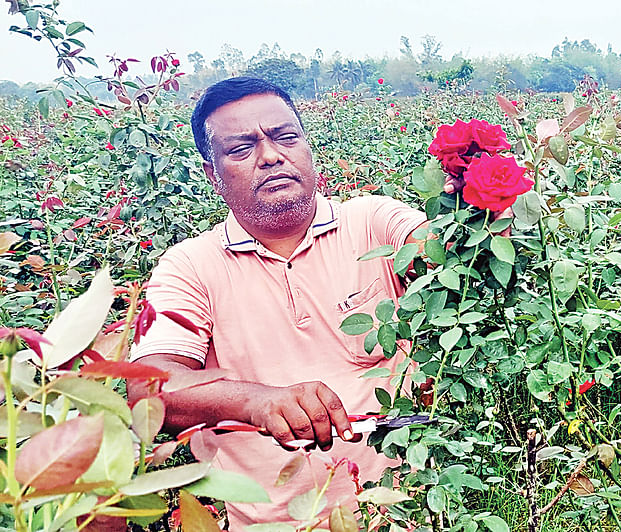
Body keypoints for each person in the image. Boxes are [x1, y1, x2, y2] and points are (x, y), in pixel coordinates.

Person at [127, 77, 430, 528]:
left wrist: (482, 201)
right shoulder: (192, 266)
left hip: (402, 511)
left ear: (308, 147)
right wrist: (257, 402)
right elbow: (151, 391)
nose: (271, 155)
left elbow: (443, 251)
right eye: (241, 148)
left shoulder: (373, 222)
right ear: (213, 174)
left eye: (285, 136)